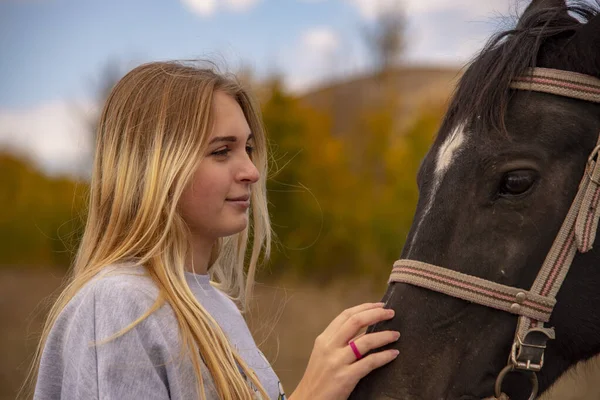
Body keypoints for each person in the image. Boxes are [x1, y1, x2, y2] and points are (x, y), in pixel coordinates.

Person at [25, 61, 400, 400]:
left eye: (249, 148)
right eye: (222, 151)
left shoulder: (215, 303)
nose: (251, 171)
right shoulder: (119, 305)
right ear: (155, 166)